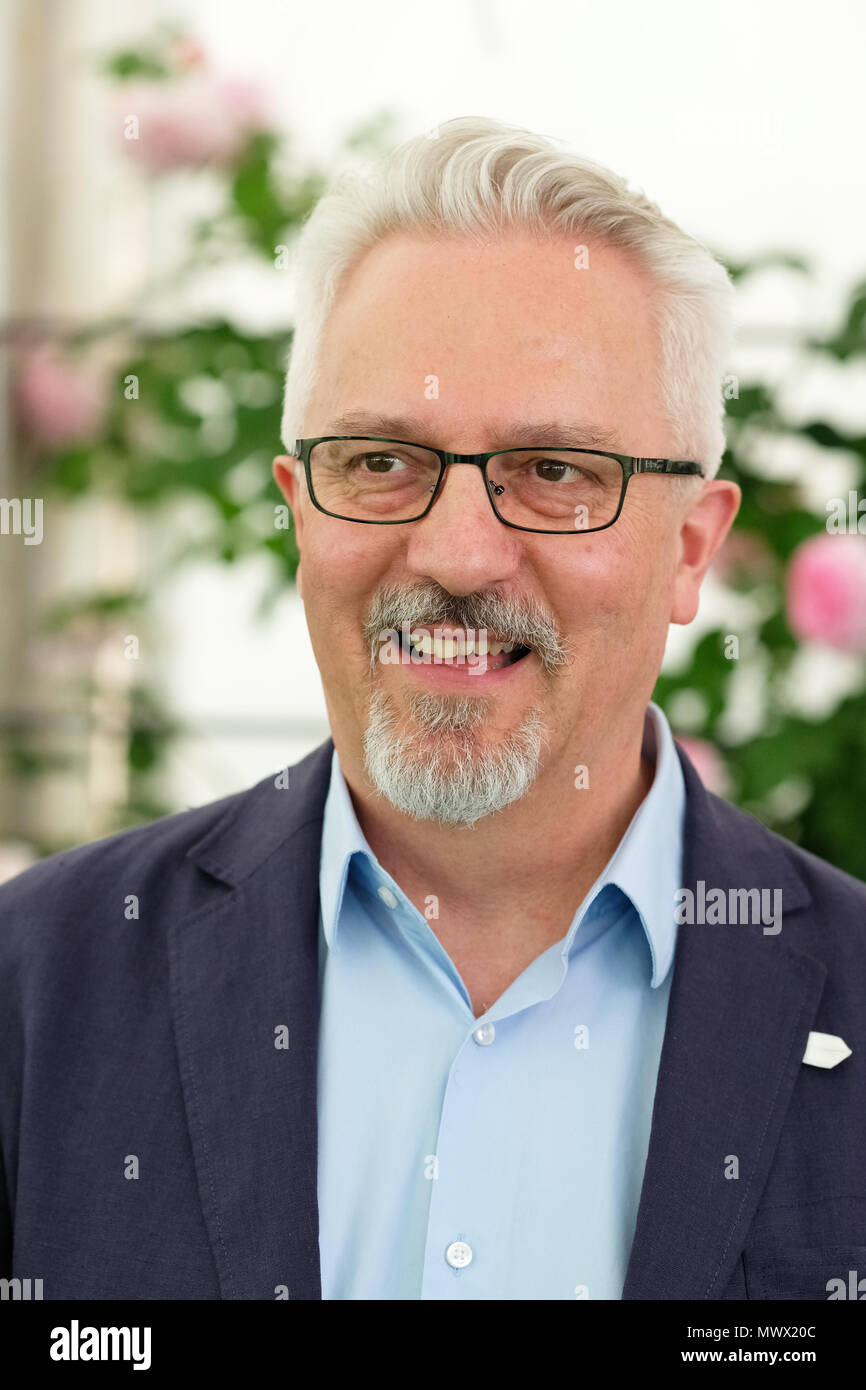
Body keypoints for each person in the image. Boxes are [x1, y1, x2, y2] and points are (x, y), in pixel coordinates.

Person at [1, 117, 864, 1302]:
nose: (457, 553)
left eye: (555, 471)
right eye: (380, 461)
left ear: (689, 549)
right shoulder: (35, 989)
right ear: (300, 511)